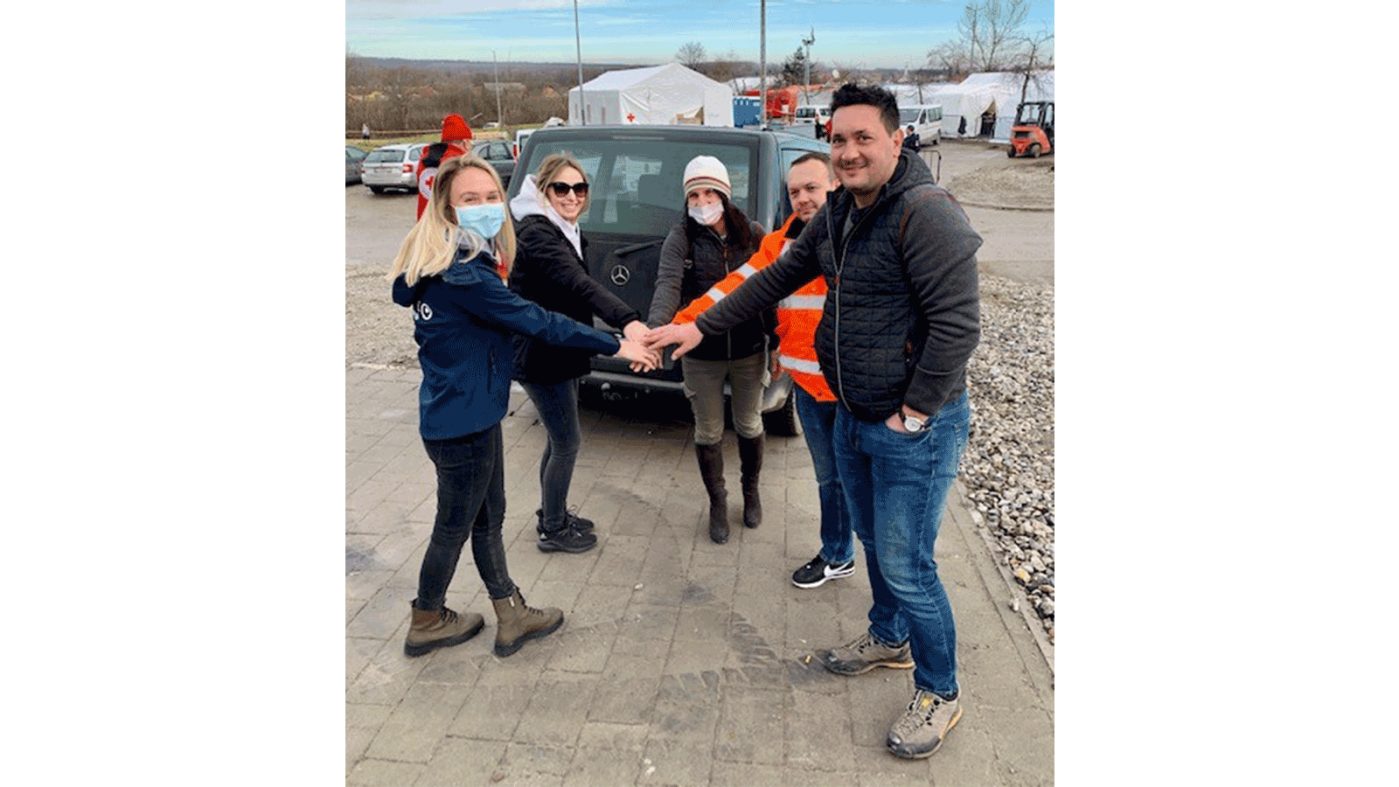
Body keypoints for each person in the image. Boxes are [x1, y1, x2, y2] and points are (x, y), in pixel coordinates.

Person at [646, 83, 982, 760]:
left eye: (863, 137)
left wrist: (913, 412)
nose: (850, 151)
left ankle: (939, 689)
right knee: (871, 538)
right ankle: (887, 637)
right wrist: (693, 327)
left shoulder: (926, 212)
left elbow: (957, 326)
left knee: (908, 563)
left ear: (895, 139)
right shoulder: (836, 216)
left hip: (914, 424)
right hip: (852, 409)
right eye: (839, 139)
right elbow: (769, 280)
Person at [387, 155, 658, 659]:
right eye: (471, 200)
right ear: (446, 208)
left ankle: (509, 612)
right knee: (456, 525)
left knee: (487, 519)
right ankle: (427, 617)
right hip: (461, 424)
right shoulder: (462, 273)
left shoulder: (439, 261)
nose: (487, 207)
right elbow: (539, 320)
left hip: (468, 413)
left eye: (492, 197)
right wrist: (616, 344)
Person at [668, 152, 855, 589]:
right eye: (795, 192)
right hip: (808, 387)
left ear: (836, 186)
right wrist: (681, 326)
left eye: (813, 188)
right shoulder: (780, 243)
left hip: (851, 389)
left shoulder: (854, 237)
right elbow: (737, 289)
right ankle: (837, 553)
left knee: (859, 486)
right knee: (828, 478)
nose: (803, 199)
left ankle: (875, 577)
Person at [508, 153, 650, 554]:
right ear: (543, 190)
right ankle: (553, 529)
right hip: (542, 355)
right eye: (562, 188)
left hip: (561, 349)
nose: (572, 197)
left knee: (558, 441)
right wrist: (628, 321)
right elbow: (579, 284)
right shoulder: (538, 233)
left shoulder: (563, 227)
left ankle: (550, 513)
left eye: (580, 189)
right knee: (567, 443)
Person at [647, 156, 772, 545]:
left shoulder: (752, 234)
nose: (702, 202)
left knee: (750, 424)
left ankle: (750, 492)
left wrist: (780, 343)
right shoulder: (680, 237)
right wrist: (656, 332)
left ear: (724, 193)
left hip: (749, 348)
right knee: (708, 430)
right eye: (694, 195)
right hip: (700, 355)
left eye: (709, 192)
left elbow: (772, 291)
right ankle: (717, 502)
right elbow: (668, 284)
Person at [415, 113, 474, 221]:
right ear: (465, 142)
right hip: (450, 223)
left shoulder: (425, 160)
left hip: (425, 222)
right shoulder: (458, 162)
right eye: (471, 143)